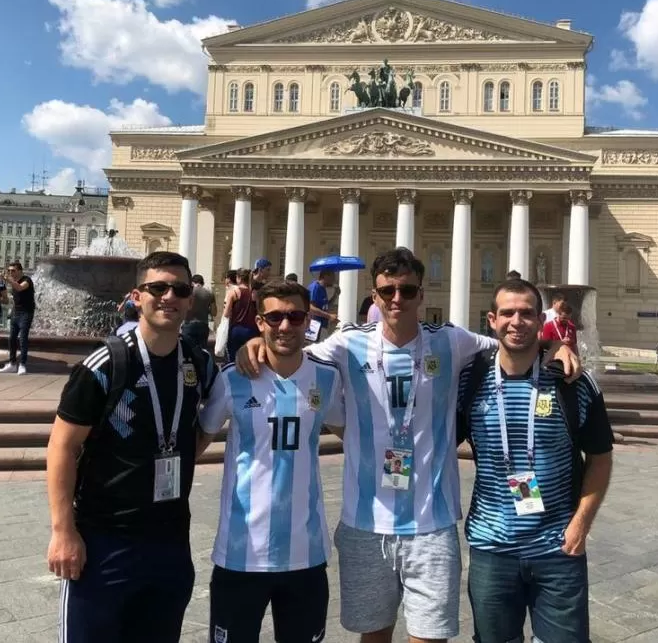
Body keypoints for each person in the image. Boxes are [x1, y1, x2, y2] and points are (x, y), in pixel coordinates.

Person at [237, 248, 580, 643]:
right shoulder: (347, 345)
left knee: (430, 638)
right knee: (374, 637)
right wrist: (255, 345)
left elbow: (509, 343)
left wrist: (555, 346)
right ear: (375, 293)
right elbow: (291, 353)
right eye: (387, 291)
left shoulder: (451, 340)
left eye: (406, 289)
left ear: (422, 293)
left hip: (431, 525)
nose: (396, 298)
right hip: (365, 523)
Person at [46, 251, 217, 642]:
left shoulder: (198, 364)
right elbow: (61, 448)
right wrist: (62, 532)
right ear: (136, 296)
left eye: (179, 289)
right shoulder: (104, 365)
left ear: (191, 299)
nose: (168, 297)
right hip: (105, 540)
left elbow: (218, 408)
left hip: (170, 541)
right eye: (157, 288)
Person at [458, 276, 614, 643]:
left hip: (557, 549)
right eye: (508, 313)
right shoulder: (470, 379)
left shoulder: (573, 382)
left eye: (527, 313)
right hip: (491, 548)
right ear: (491, 320)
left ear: (539, 320)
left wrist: (579, 528)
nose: (517, 321)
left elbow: (601, 457)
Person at [199, 279, 344, 643]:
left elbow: (357, 434)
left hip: (305, 555)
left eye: (295, 316)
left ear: (307, 318)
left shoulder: (326, 380)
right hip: (241, 554)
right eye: (275, 317)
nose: (285, 325)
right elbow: (198, 439)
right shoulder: (233, 379)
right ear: (260, 322)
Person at [0, 261, 35, 375]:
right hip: (16, 312)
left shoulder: (27, 280)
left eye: (13, 271)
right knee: (12, 338)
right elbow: (13, 295)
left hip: (26, 313)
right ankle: (12, 364)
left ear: (20, 271)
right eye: (9, 271)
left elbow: (19, 288)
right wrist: (1, 281)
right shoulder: (13, 282)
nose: (11, 273)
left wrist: (8, 279)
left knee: (23, 339)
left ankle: (22, 365)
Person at [222, 268, 259, 361]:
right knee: (250, 358)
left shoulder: (234, 292)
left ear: (238, 278)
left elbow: (226, 313)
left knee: (234, 358)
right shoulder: (254, 293)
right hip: (252, 329)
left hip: (236, 329)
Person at [181, 274, 216, 352]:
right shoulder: (209, 293)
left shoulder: (188, 292)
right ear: (202, 283)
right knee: (202, 351)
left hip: (188, 324)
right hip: (203, 325)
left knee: (187, 350)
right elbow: (214, 312)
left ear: (192, 283)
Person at [307, 270, 336, 339]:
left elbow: (325, 306)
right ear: (325, 276)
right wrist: (329, 316)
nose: (334, 279)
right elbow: (311, 307)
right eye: (332, 276)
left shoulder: (322, 288)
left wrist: (335, 295)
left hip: (322, 326)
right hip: (314, 326)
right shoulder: (315, 287)